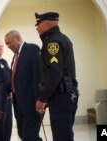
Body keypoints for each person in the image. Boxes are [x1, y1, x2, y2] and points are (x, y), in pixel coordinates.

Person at [34, 12, 79, 141]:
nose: (37, 28)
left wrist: (42, 98)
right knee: (65, 134)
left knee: (61, 136)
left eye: (38, 24)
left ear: (47, 24)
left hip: (61, 96)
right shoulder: (63, 38)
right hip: (67, 93)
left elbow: (54, 72)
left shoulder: (52, 43)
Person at [4, 30, 42, 141]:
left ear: (17, 38)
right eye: (6, 43)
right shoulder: (15, 56)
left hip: (31, 103)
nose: (8, 46)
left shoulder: (32, 49)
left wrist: (39, 99)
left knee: (29, 136)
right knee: (23, 134)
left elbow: (38, 75)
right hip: (18, 104)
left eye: (9, 42)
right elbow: (15, 79)